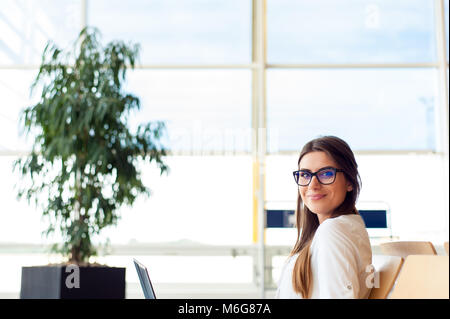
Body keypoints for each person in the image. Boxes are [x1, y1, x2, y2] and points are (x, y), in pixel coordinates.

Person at [276, 136, 373, 299]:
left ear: (349, 181)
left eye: (326, 173)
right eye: (305, 175)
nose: (312, 184)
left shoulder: (333, 231)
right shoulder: (333, 231)